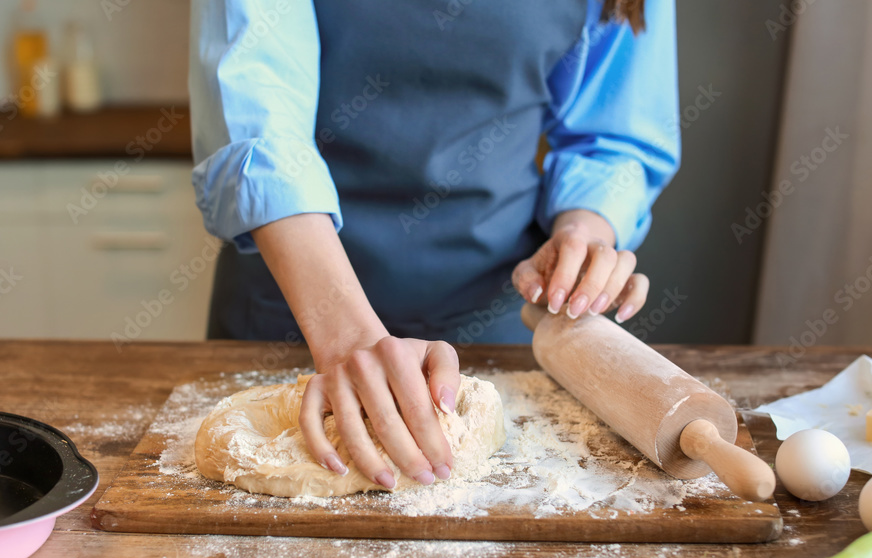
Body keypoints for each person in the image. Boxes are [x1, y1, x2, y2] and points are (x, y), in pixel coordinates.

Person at [190, 0, 680, 491]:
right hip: (292, 301)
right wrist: (344, 337)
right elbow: (260, 108)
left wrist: (583, 232)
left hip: (501, 317)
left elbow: (613, 134)